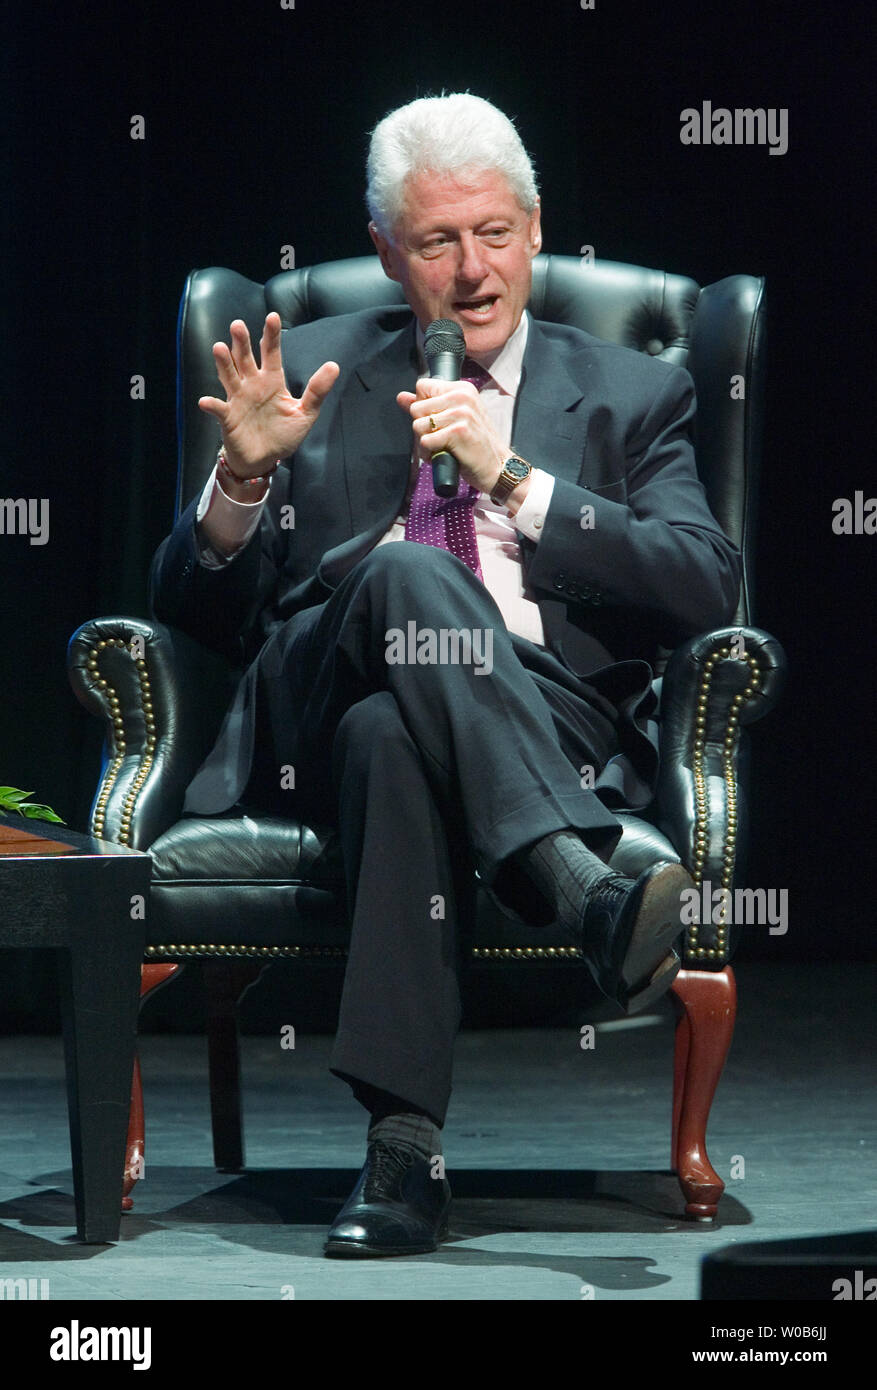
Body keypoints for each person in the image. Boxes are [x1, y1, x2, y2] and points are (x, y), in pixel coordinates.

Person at [149, 92, 741, 1258]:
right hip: (303, 707)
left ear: (534, 228)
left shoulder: (632, 392)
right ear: (385, 252)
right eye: (435, 242)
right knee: (407, 585)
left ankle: (403, 1153)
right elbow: (193, 612)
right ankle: (577, 888)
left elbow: (702, 583)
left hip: (532, 714)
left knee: (395, 735)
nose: (472, 272)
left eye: (494, 234)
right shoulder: (304, 372)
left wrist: (512, 477)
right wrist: (242, 489)